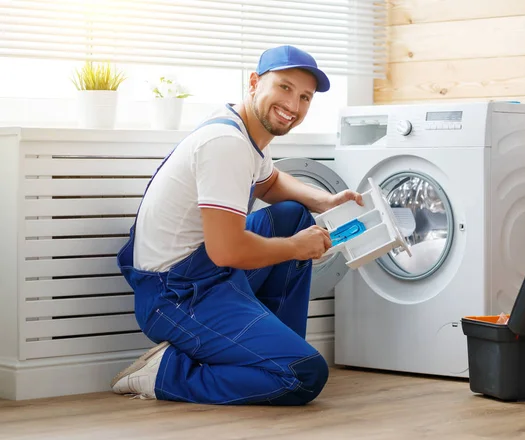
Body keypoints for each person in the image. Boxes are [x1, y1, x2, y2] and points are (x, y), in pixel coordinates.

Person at [110, 45, 363, 405]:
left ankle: (271, 350)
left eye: (305, 97)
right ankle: (164, 373)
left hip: (205, 272)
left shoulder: (244, 132)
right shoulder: (226, 144)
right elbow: (227, 249)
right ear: (255, 82)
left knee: (293, 215)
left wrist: (323, 200)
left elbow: (270, 183)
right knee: (304, 375)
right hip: (177, 296)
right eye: (285, 88)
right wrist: (297, 247)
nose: (293, 105)